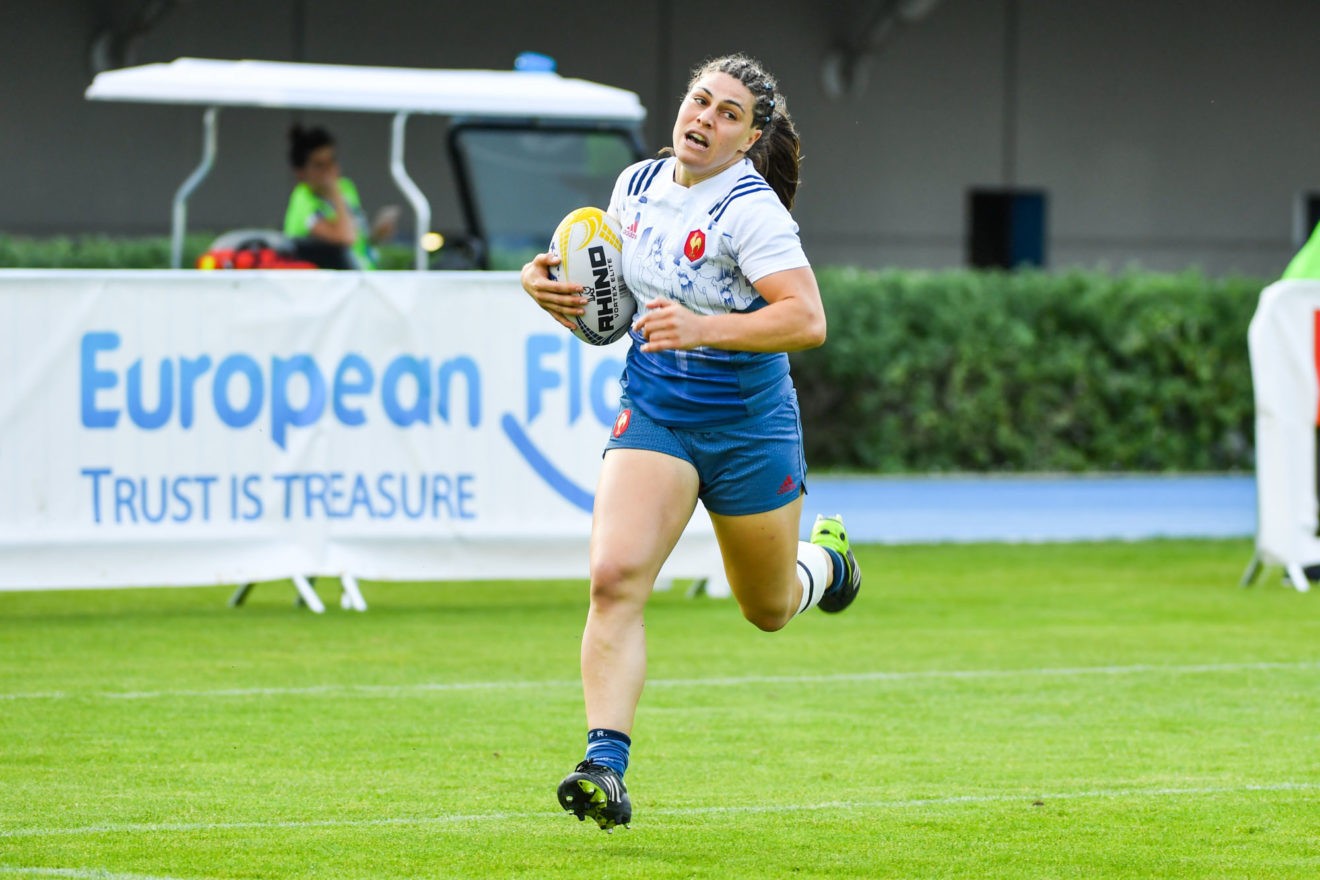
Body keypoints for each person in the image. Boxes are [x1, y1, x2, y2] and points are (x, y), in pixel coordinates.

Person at [520, 53, 862, 832]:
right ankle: (604, 764)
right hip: (657, 409)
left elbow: (807, 320)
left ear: (747, 141)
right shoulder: (634, 187)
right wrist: (545, 292)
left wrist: (703, 327)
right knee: (613, 577)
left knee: (768, 609)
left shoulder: (752, 210)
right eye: (699, 101)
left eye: (728, 113)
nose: (704, 119)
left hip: (747, 425)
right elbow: (610, 311)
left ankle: (829, 561)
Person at [283, 125, 400, 269]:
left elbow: (358, 241)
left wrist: (376, 236)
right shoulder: (303, 199)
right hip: (332, 287)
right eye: (319, 165)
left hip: (364, 276)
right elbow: (346, 238)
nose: (329, 170)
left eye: (331, 161)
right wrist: (335, 193)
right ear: (300, 172)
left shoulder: (346, 187)